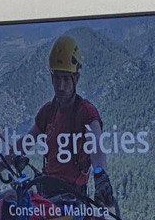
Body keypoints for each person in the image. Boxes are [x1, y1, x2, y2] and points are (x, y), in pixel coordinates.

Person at [24, 35, 116, 208]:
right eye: (57, 78)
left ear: (76, 78)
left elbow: (96, 146)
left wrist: (100, 175)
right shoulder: (48, 111)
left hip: (72, 199)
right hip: (47, 194)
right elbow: (26, 142)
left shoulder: (86, 112)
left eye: (66, 79)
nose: (60, 86)